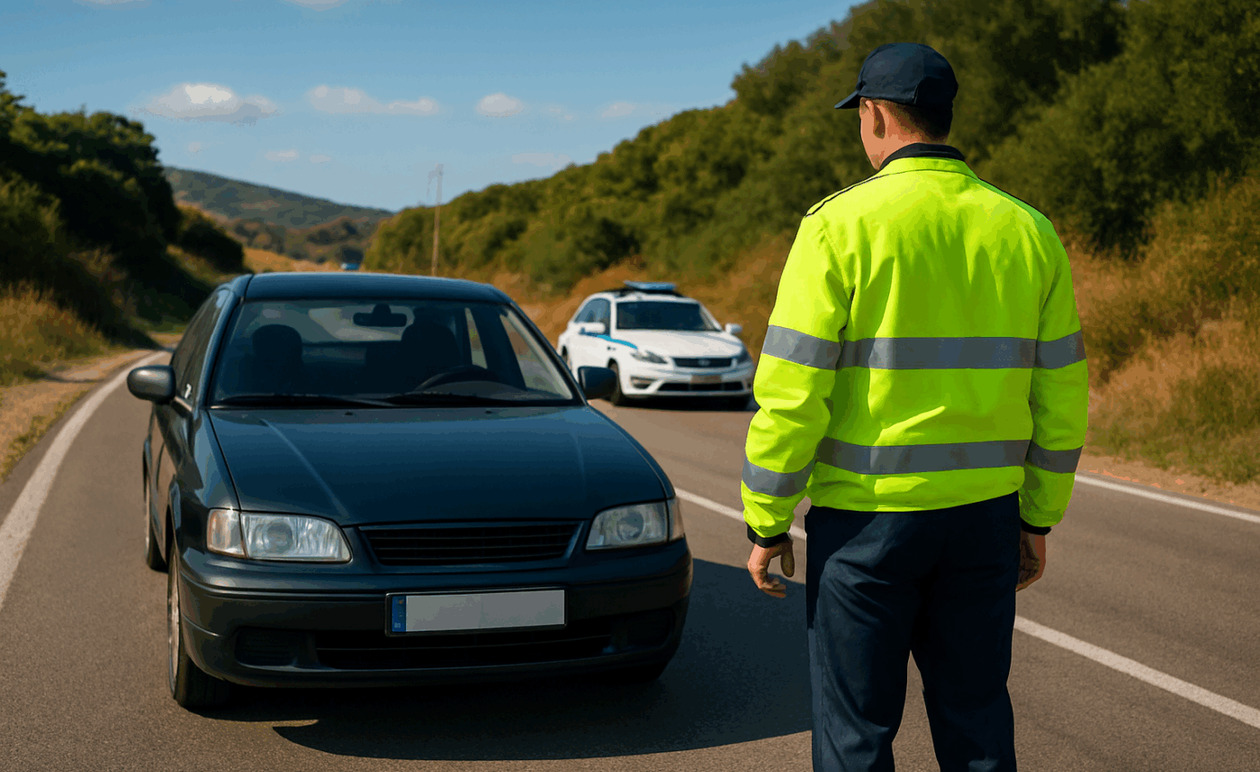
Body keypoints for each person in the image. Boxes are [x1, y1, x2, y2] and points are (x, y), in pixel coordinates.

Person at [741, 42, 1089, 772]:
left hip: (866, 526)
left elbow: (793, 393)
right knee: (977, 724)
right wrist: (1037, 517)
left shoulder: (837, 225)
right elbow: (1061, 393)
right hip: (984, 521)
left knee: (856, 735)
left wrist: (767, 519)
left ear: (873, 114)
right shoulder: (1027, 229)